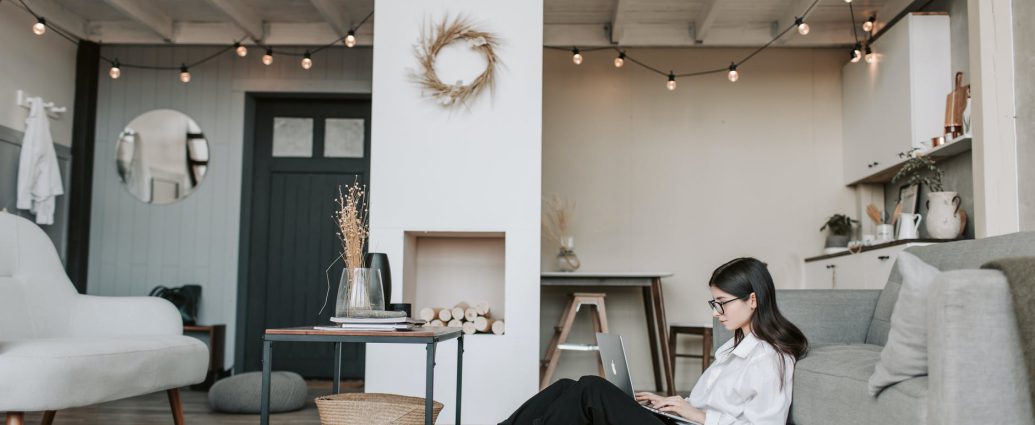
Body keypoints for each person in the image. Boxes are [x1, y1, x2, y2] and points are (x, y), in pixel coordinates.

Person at [499, 257, 809, 425]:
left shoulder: (770, 359)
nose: (717, 313)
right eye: (713, 303)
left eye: (722, 302)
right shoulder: (733, 348)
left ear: (752, 300)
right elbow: (710, 405)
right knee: (569, 386)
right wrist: (674, 405)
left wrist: (697, 415)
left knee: (592, 389)